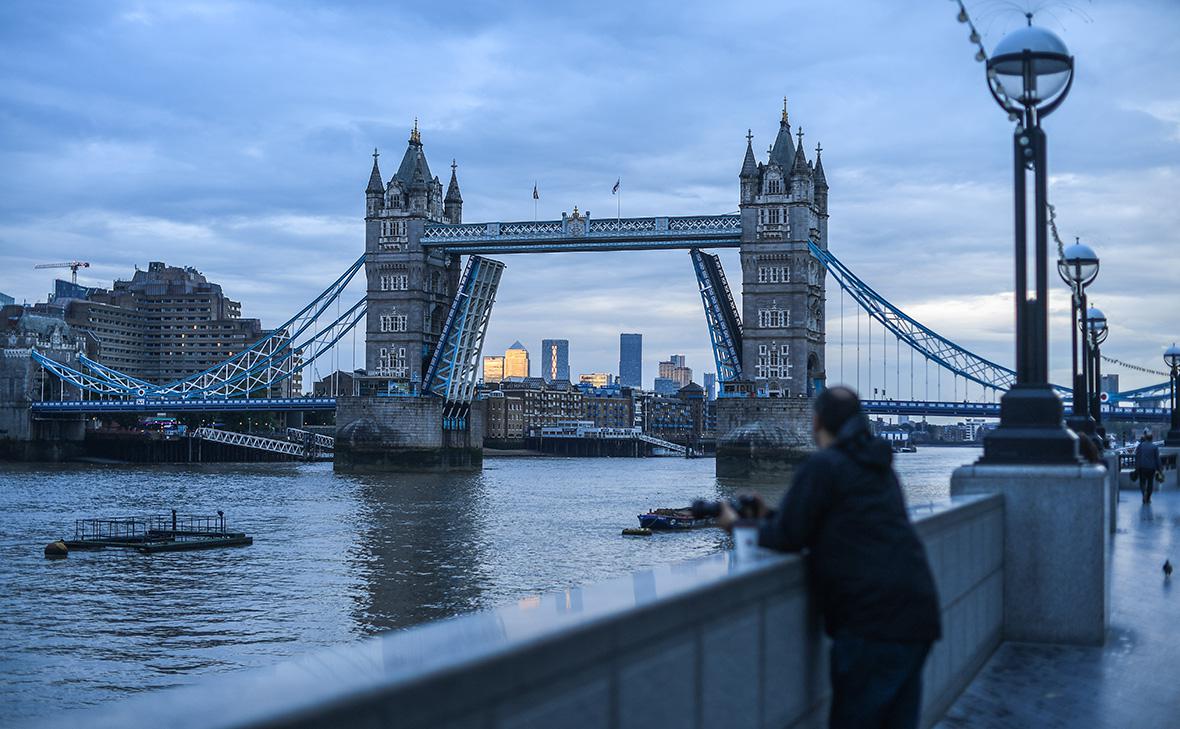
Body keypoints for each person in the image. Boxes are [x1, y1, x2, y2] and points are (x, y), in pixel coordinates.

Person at [719, 386, 940, 729]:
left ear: (817, 420)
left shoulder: (822, 466)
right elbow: (835, 518)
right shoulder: (881, 469)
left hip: (870, 625)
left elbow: (790, 537)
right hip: (918, 615)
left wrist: (738, 525)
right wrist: (769, 516)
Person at [1135, 428, 1161, 504]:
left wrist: (1136, 467)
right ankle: (1148, 498)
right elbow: (1157, 459)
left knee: (1142, 482)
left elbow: (1137, 457)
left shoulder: (1140, 446)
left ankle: (1144, 494)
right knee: (1150, 483)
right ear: (1152, 439)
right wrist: (1159, 469)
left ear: (1146, 438)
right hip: (1151, 468)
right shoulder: (1155, 447)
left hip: (1142, 467)